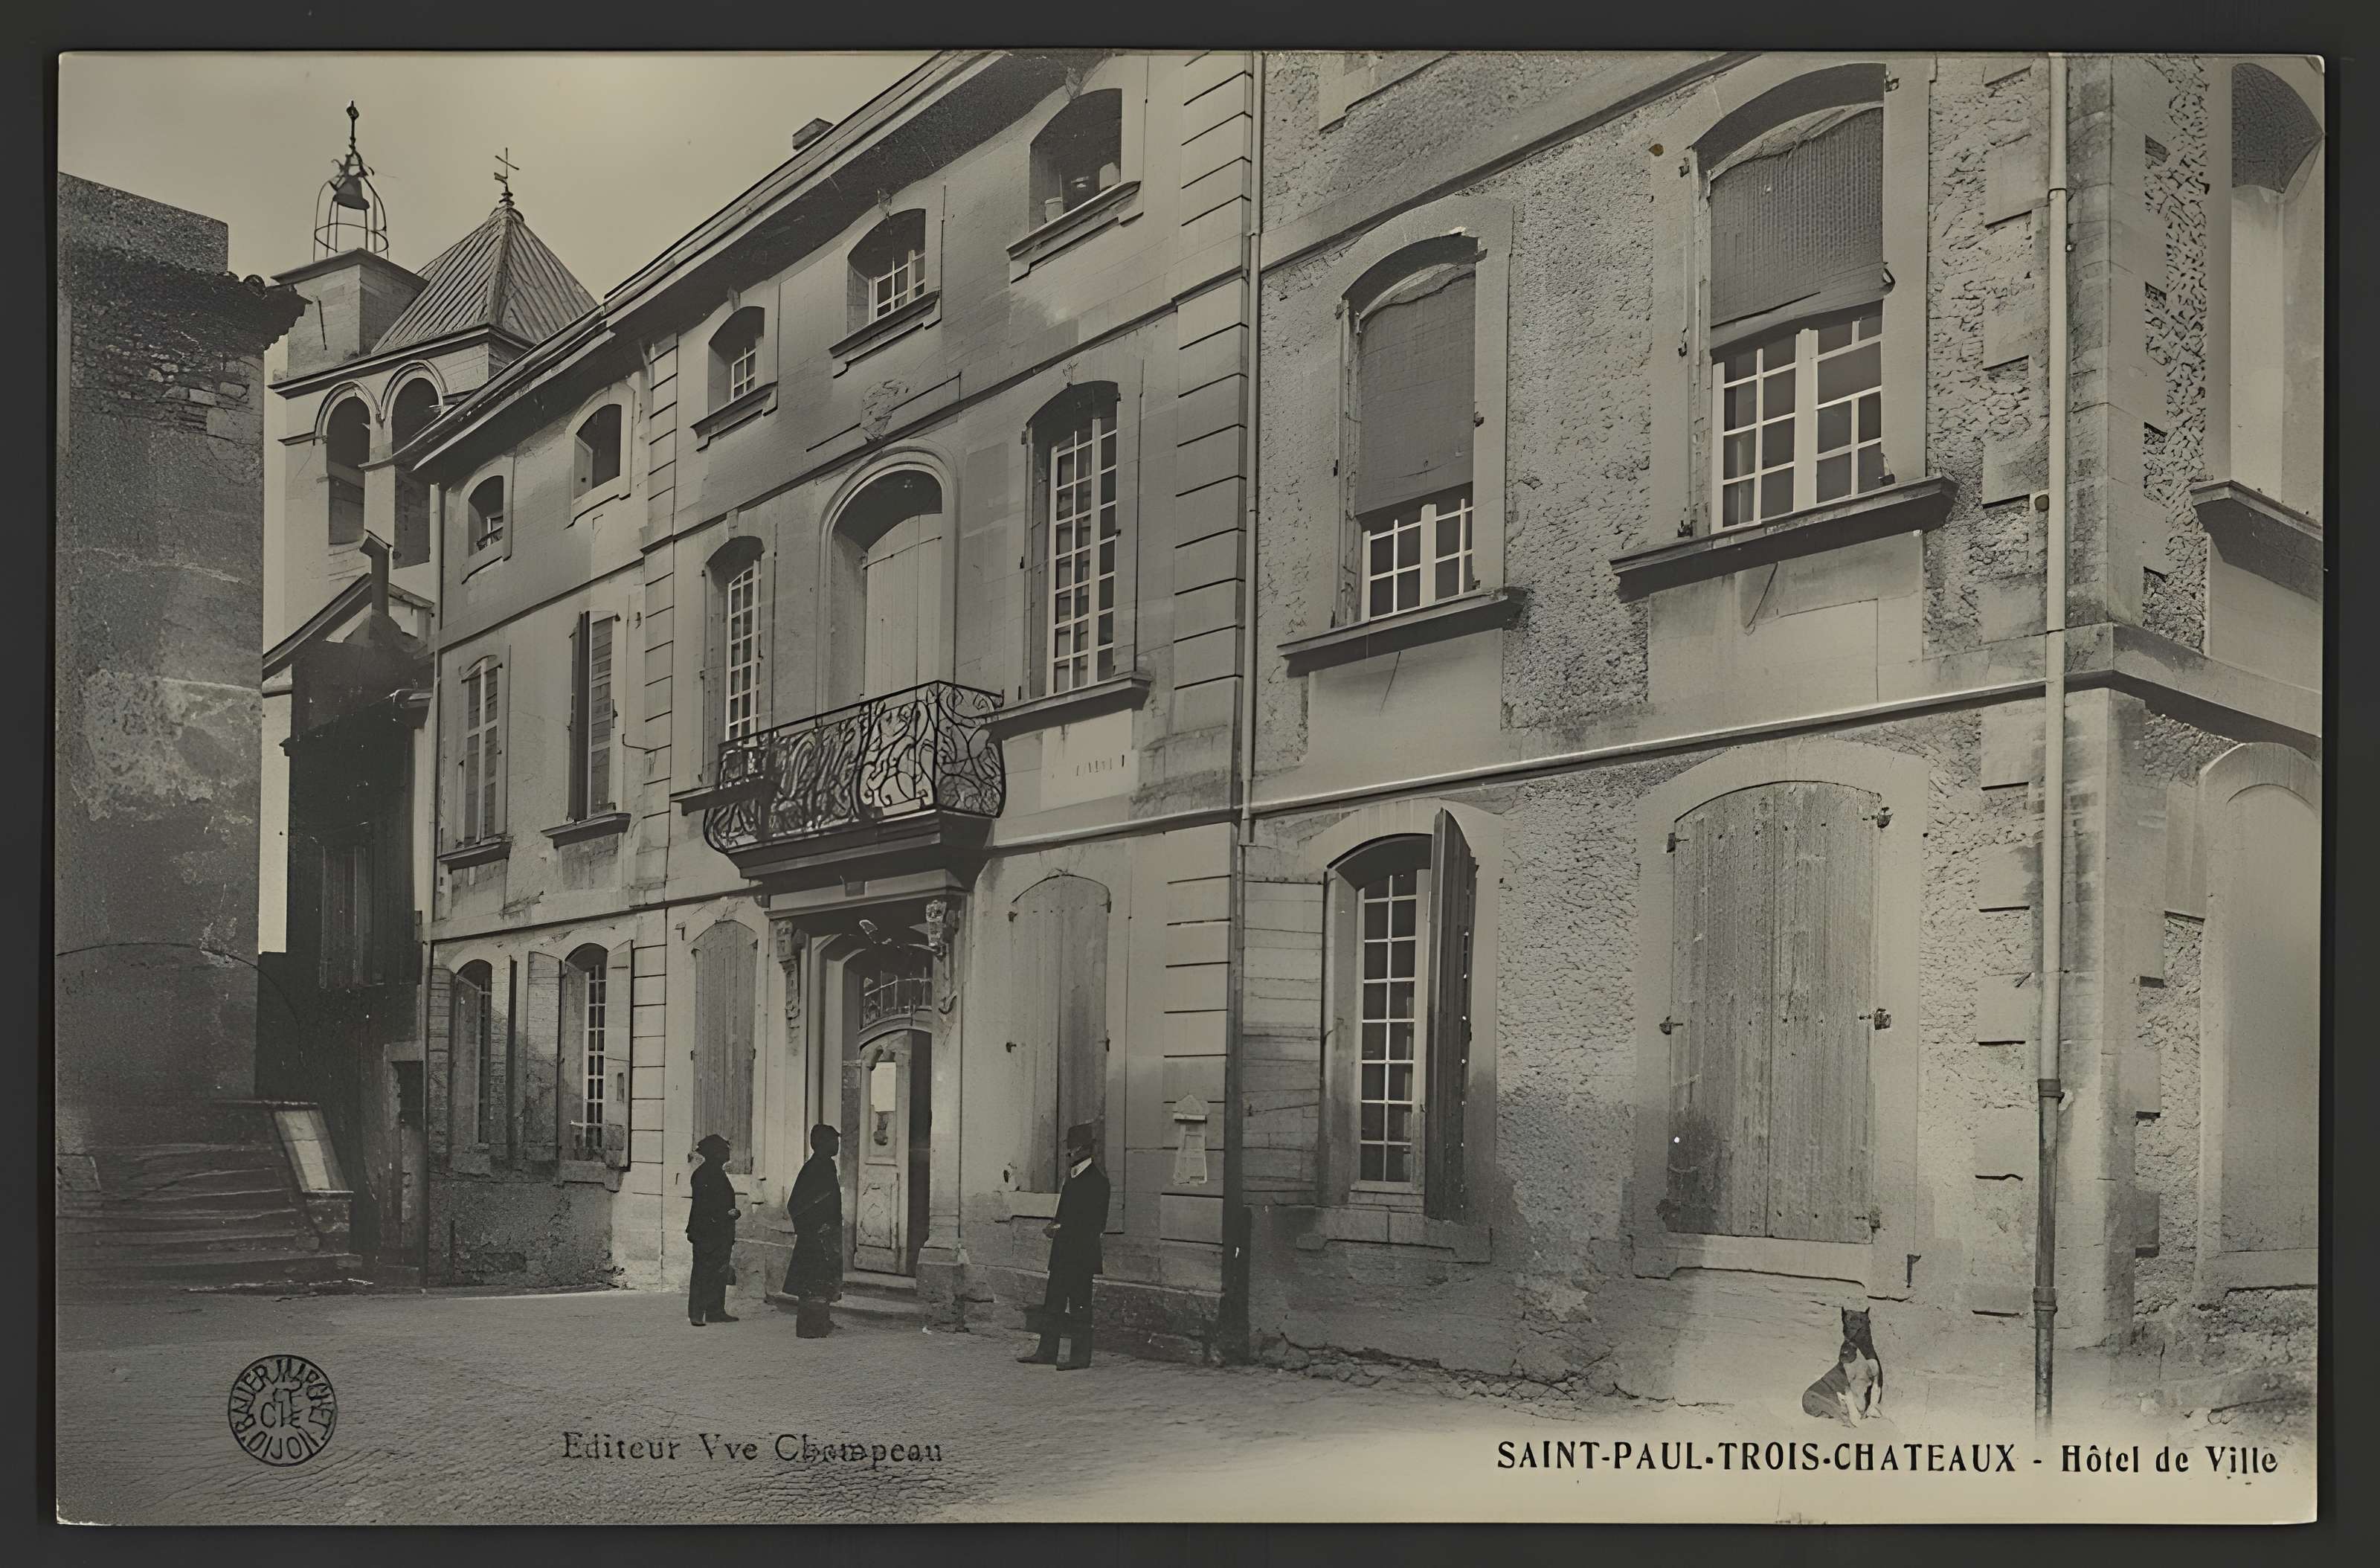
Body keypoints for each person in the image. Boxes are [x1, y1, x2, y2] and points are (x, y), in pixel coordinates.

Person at [1019, 1122, 1108, 1370]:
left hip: (1081, 1256)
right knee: (1053, 1304)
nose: (1069, 1156)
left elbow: (1094, 1225)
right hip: (1063, 1254)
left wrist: (1062, 1229)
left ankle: (1080, 1358)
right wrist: (1055, 1226)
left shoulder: (1098, 1182)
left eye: (1072, 1151)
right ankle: (1047, 1352)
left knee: (1080, 1306)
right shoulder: (1072, 1179)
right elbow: (1065, 1216)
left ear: (1083, 1151)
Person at [782, 1123, 843, 1337]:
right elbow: (798, 1204)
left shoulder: (825, 1166)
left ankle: (821, 1322)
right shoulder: (816, 1168)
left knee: (821, 1280)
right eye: (833, 1141)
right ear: (822, 1144)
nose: (837, 1145)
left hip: (823, 1234)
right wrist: (816, 1227)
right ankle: (811, 1328)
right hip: (816, 1236)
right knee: (813, 1281)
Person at [686, 1133, 740, 1327]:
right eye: (724, 1149)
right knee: (702, 1272)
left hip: (718, 1231)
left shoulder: (715, 1173)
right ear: (715, 1153)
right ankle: (696, 1314)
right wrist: (729, 1214)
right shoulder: (704, 1175)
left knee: (718, 1271)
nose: (727, 1152)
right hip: (707, 1232)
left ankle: (715, 1311)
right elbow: (705, 1207)